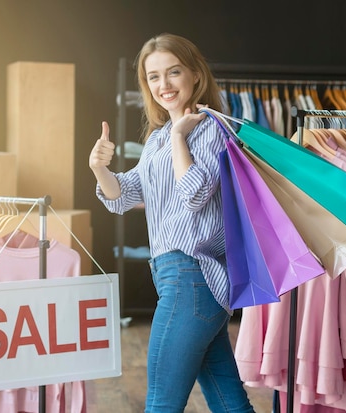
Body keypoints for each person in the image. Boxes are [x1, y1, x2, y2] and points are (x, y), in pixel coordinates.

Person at [89, 33, 256, 413]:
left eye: (173, 72)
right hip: (182, 282)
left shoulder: (214, 129)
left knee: (162, 402)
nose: (163, 85)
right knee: (229, 400)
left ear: (196, 75)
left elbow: (195, 194)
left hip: (192, 277)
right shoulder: (158, 139)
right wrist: (100, 169)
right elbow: (125, 196)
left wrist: (182, 135)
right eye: (153, 77)